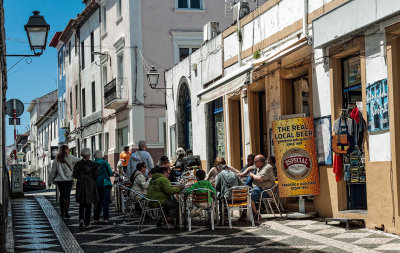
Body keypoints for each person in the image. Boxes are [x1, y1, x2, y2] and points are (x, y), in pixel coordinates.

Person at [48, 144, 81, 218]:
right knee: (67, 195)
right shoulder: (70, 157)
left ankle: (62, 212)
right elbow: (80, 160)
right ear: (66, 150)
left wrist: (50, 181)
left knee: (62, 195)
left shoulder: (57, 158)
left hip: (60, 180)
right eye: (68, 149)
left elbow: (53, 171)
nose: (69, 150)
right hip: (69, 179)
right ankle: (66, 212)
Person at [242, 155, 275, 220]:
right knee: (244, 193)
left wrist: (252, 175)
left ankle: (256, 214)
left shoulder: (267, 168)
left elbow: (260, 178)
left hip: (266, 190)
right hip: (258, 188)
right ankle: (245, 214)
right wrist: (242, 173)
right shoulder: (258, 166)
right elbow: (250, 168)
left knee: (250, 195)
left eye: (255, 162)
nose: (254, 163)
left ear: (260, 162)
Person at [73, 148, 99, 228]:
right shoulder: (92, 164)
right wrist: (91, 179)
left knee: (81, 204)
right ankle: (87, 223)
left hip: (80, 184)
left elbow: (75, 175)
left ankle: (81, 219)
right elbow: (96, 175)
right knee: (88, 204)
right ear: (89, 154)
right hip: (89, 184)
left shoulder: (78, 164)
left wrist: (80, 178)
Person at [93, 150, 113, 223]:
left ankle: (96, 218)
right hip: (105, 183)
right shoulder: (105, 163)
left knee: (97, 201)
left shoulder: (93, 163)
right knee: (105, 201)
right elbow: (110, 173)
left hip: (96, 184)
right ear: (101, 155)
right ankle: (106, 218)